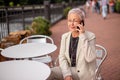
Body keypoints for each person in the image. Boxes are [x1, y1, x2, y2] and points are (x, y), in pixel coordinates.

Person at [47, 8, 96, 80]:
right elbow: (62, 57)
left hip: (84, 73)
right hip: (69, 69)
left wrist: (82, 35)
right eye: (69, 21)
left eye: (75, 21)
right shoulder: (65, 37)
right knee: (49, 72)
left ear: (81, 22)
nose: (72, 24)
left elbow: (90, 58)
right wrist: (67, 74)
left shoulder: (90, 36)